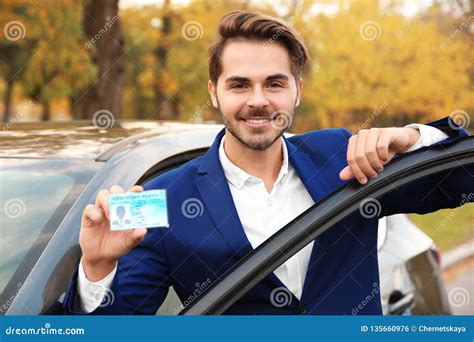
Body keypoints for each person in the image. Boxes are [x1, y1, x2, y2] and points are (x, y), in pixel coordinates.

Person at [64, 11, 471, 315]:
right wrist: (98, 268)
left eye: (275, 83)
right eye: (239, 84)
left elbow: (461, 181)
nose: (258, 100)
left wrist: (417, 138)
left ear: (297, 91)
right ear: (214, 92)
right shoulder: (161, 200)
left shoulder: (342, 156)